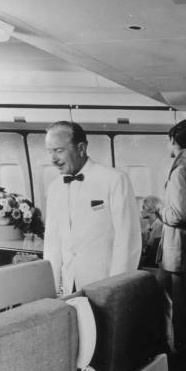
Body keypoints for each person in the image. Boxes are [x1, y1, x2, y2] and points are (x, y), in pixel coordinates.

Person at [43, 121, 141, 294]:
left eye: (59, 150)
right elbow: (52, 243)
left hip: (105, 283)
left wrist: (115, 289)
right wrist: (49, 289)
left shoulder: (114, 180)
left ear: (81, 148)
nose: (53, 159)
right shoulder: (54, 188)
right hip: (69, 284)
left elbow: (126, 240)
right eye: (50, 152)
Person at [156, 119, 186, 352]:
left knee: (179, 309)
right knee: (166, 298)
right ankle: (174, 346)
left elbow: (177, 215)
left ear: (173, 140)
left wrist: (157, 209)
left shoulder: (178, 170)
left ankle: (181, 353)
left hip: (178, 249)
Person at [140, 195, 163, 268]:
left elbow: (154, 253)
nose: (141, 211)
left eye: (143, 208)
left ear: (151, 209)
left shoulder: (159, 226)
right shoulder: (148, 226)